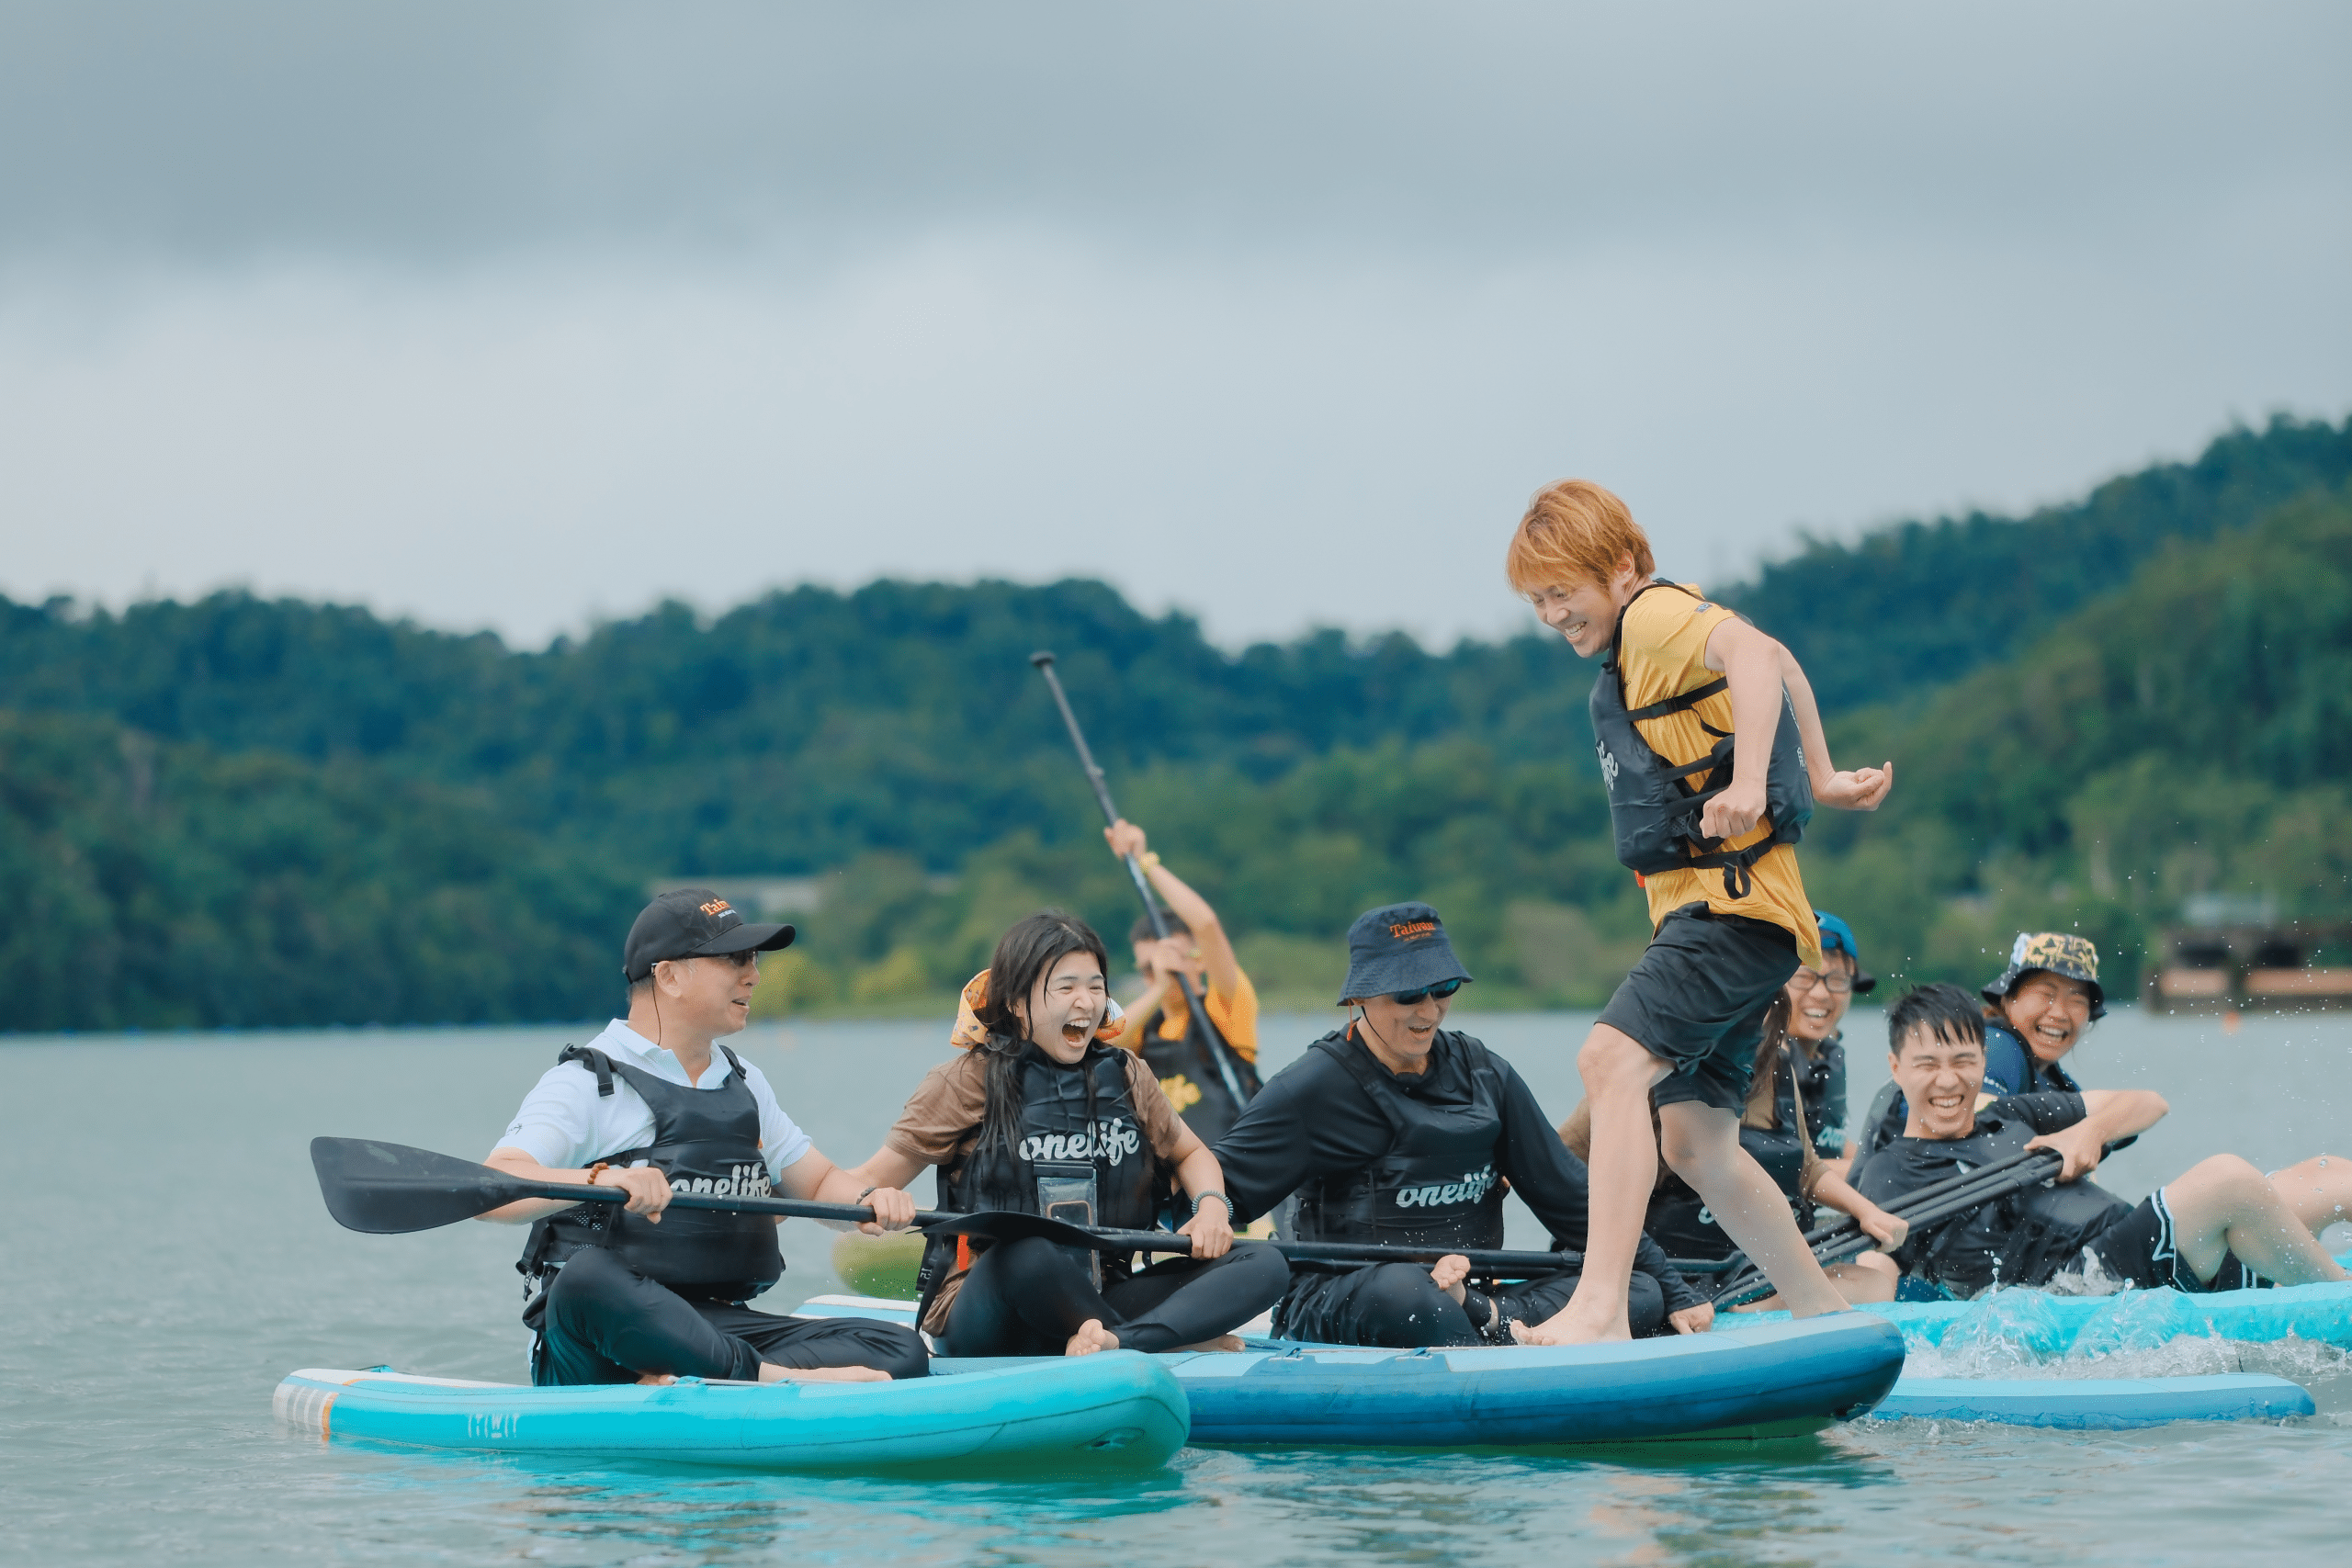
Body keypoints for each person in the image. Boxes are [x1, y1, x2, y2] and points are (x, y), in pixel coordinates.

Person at [1502, 479, 1895, 1343]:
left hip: (1730, 913)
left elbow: (1754, 657)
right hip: (1746, 924)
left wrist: (1755, 781)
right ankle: (1824, 1318)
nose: (1551, 614)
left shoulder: (1650, 619)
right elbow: (1779, 654)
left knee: (1608, 1063)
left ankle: (1598, 1307)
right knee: (1697, 1144)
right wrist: (1822, 777)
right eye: (1537, 600)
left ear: (1621, 569)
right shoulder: (1646, 639)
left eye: (1562, 591)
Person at [480, 889, 930, 1386]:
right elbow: (496, 1186)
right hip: (599, 1335)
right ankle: (754, 1378)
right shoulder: (587, 1083)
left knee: (899, 1348)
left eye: (754, 959)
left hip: (710, 1324)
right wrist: (600, 1179)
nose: (754, 975)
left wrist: (870, 1200)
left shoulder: (744, 1082)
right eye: (735, 959)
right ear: (669, 976)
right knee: (586, 1279)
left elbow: (820, 1183)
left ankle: (705, 1373)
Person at [1211, 903, 1711, 1347]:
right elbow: (1214, 1191)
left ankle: (1489, 1322)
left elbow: (1574, 1199)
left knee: (1629, 1289)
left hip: (1472, 1295)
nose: (1429, 1011)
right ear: (1358, 998)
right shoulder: (1311, 1088)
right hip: (1349, 1297)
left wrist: (1673, 1288)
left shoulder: (1485, 1073)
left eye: (1443, 988)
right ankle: (1499, 1337)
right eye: (1409, 994)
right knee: (1408, 1292)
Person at [842, 910, 1289, 1357]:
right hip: (993, 1307)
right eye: (1067, 987)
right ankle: (1166, 1340)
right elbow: (866, 1180)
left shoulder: (1128, 1074)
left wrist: (1212, 1205)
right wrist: (872, 1199)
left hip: (1101, 1297)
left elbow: (1191, 1154)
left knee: (1265, 1261)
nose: (1087, 1002)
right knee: (1029, 1251)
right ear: (1017, 1002)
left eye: (1096, 987)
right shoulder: (964, 1080)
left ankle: (1121, 1342)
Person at [1855, 984, 2352, 1299]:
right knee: (2228, 1178)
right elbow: (1878, 1268)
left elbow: (2148, 1103)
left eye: (1963, 1061)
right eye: (1928, 1065)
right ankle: (2339, 1298)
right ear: (1896, 1068)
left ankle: (2301, 1279)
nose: (1948, 1081)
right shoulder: (1888, 1172)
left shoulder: (2010, 1115)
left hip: (2137, 1244)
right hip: (2084, 1282)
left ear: (1983, 1063)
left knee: (2330, 1173)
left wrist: (2086, 1132)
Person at [1589, 910, 1908, 1304]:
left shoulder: (1789, 1060)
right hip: (1690, 1270)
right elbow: (1574, 1147)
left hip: (1752, 1265)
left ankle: (1803, 1303)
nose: (1821, 994)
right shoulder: (1668, 1057)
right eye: (1805, 977)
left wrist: (1865, 1207)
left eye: (1837, 980)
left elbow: (1806, 1164)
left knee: (1876, 1279)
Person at [1850, 931, 2114, 1178]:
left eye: (2077, 1001)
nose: (2058, 1013)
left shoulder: (2057, 1082)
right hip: (1902, 1190)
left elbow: (2133, 1115)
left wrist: (2095, 1130)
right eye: (2045, 994)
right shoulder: (1999, 1048)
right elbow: (1979, 1129)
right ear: (2007, 999)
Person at [1103, 818, 1264, 1143]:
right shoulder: (1145, 1029)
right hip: (1170, 1171)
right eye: (1147, 968)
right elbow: (1100, 1044)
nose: (1159, 970)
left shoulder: (1225, 1004)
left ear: (1198, 958)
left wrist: (1145, 863)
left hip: (1228, 1162)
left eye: (1171, 959)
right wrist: (1160, 986)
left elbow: (1205, 925)